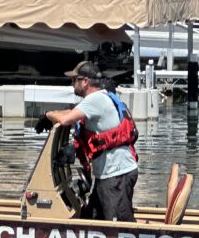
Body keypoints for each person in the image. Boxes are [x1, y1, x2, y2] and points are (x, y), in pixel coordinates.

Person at [35, 60, 138, 221]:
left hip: (116, 175)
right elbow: (71, 113)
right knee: (92, 218)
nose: (72, 84)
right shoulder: (100, 98)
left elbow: (66, 120)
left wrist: (47, 115)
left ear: (85, 81)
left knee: (119, 226)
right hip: (109, 174)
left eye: (74, 80)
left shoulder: (95, 99)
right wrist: (52, 114)